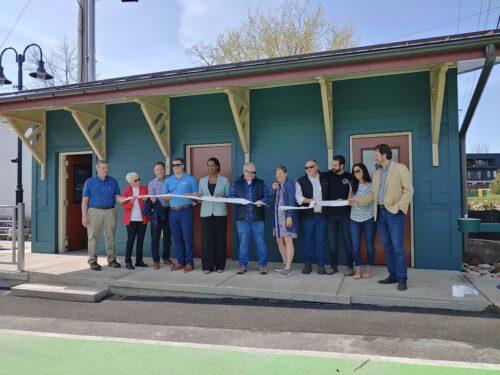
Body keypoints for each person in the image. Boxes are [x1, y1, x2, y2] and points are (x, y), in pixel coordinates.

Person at [350, 144, 414, 291]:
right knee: (387, 247)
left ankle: (402, 279)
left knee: (398, 247)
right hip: (380, 214)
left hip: (394, 213)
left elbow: (409, 190)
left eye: (376, 155)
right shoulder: (377, 173)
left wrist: (398, 208)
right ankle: (393, 275)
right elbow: (373, 195)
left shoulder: (400, 168)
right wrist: (358, 201)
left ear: (385, 155)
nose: (375, 158)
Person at [228, 161, 269, 275]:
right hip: (242, 219)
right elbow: (231, 196)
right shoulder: (236, 183)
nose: (252, 174)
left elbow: (266, 195)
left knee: (260, 242)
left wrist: (262, 201)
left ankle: (263, 265)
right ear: (244, 171)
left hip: (257, 219)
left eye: (254, 172)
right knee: (243, 243)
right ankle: (243, 265)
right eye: (249, 172)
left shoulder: (261, 183)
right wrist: (239, 202)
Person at [81, 160, 122, 271]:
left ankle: (112, 259)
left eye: (107, 168)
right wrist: (84, 216)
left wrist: (126, 199)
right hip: (94, 212)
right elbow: (84, 201)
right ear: (97, 168)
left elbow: (117, 197)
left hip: (110, 211)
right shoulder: (89, 182)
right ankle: (93, 261)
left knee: (111, 236)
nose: (105, 170)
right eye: (103, 168)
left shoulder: (113, 181)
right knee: (93, 237)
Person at [163, 157, 198, 272]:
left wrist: (191, 195)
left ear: (183, 166)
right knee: (177, 237)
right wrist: (167, 197)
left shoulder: (190, 179)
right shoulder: (168, 180)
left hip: (186, 210)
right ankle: (181, 261)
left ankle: (189, 262)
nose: (175, 167)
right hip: (173, 211)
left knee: (187, 236)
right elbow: (164, 197)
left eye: (177, 165)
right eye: (173, 165)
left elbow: (197, 195)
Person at [295, 159, 329, 275]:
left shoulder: (325, 178)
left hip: (321, 215)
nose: (308, 169)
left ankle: (321, 265)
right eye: (306, 168)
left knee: (320, 241)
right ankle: (308, 265)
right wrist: (310, 200)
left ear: (317, 167)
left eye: (311, 167)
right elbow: (298, 198)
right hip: (307, 216)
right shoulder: (300, 181)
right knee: (307, 241)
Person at [198, 157, 230, 274]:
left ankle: (220, 265)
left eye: (212, 165)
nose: (210, 168)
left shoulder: (224, 180)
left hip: (220, 213)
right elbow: (200, 198)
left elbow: (229, 197)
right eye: (208, 165)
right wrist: (198, 197)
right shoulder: (202, 180)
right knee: (206, 240)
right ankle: (207, 266)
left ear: (217, 166)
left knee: (220, 239)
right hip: (205, 213)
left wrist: (223, 197)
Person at [325, 155, 354, 276]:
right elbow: (313, 177)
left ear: (342, 165)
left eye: (335, 165)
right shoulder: (327, 175)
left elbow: (355, 190)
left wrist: (347, 199)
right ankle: (333, 266)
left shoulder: (349, 176)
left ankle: (350, 267)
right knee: (332, 242)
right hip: (331, 215)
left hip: (345, 214)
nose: (333, 167)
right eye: (332, 165)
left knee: (348, 241)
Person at [349, 163, 376, 279]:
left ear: (363, 171)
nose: (356, 174)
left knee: (370, 245)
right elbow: (349, 200)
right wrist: (349, 200)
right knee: (355, 246)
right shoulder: (352, 185)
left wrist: (357, 201)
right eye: (354, 172)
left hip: (368, 219)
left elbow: (371, 199)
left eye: (358, 171)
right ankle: (358, 269)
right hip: (354, 219)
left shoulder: (371, 185)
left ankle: (369, 269)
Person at [270, 165, 297, 277]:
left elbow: (291, 200)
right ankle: (285, 264)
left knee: (288, 239)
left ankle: (288, 268)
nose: (278, 175)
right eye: (277, 173)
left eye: (280, 173)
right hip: (277, 218)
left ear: (286, 174)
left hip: (286, 217)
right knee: (279, 240)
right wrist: (273, 189)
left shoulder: (289, 185)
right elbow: (270, 197)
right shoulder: (277, 185)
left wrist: (289, 216)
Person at [121, 172, 149, 270]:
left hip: (142, 219)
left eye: (138, 179)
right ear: (130, 182)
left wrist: (147, 200)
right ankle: (128, 261)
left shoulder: (145, 189)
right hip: (131, 220)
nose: (138, 181)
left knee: (140, 241)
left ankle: (139, 261)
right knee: (130, 241)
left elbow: (149, 204)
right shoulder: (127, 191)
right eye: (135, 180)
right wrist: (132, 201)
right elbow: (124, 206)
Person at [148, 161, 173, 270]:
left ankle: (166, 258)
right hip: (157, 212)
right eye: (157, 169)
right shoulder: (152, 184)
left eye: (161, 169)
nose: (159, 171)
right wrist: (152, 199)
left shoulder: (171, 181)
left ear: (164, 170)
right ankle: (156, 260)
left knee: (168, 236)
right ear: (154, 171)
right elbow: (151, 199)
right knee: (155, 237)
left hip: (169, 211)